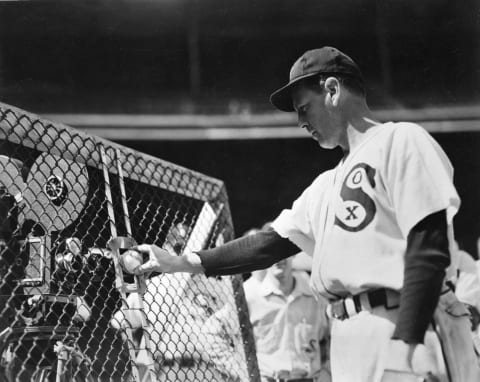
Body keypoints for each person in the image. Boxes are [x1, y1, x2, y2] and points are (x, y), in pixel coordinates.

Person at [132, 46, 480, 381]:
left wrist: (410, 340)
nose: (300, 121)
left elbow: (428, 241)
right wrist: (179, 262)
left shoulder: (400, 140)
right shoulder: (324, 187)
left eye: (303, 108)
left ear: (332, 89)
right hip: (350, 337)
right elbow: (267, 245)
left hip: (401, 322)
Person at [244, 257, 330, 382]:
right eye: (271, 253)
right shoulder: (249, 295)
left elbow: (333, 336)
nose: (278, 259)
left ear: (293, 255)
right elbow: (211, 334)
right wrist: (243, 371)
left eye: (283, 252)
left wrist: (327, 373)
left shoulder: (315, 294)